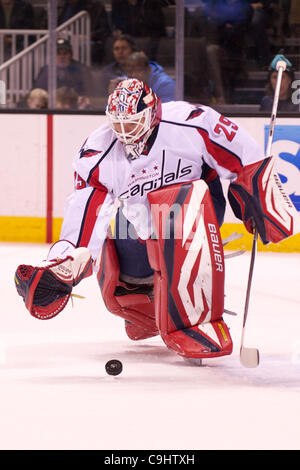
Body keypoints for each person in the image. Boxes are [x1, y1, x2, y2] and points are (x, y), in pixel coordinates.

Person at [15, 78, 299, 363]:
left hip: (198, 206)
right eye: (118, 124)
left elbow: (242, 154)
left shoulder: (191, 122)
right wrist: (64, 260)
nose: (125, 133)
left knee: (176, 213)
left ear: (152, 113)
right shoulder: (96, 152)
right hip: (142, 218)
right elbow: (85, 212)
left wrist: (258, 191)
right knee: (121, 283)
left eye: (132, 123)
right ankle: (148, 312)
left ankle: (193, 319)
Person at [57, 0, 111, 66]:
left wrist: (87, 36)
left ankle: (83, 72)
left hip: (86, 41)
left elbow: (104, 30)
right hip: (64, 39)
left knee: (87, 46)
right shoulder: (63, 7)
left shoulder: (96, 7)